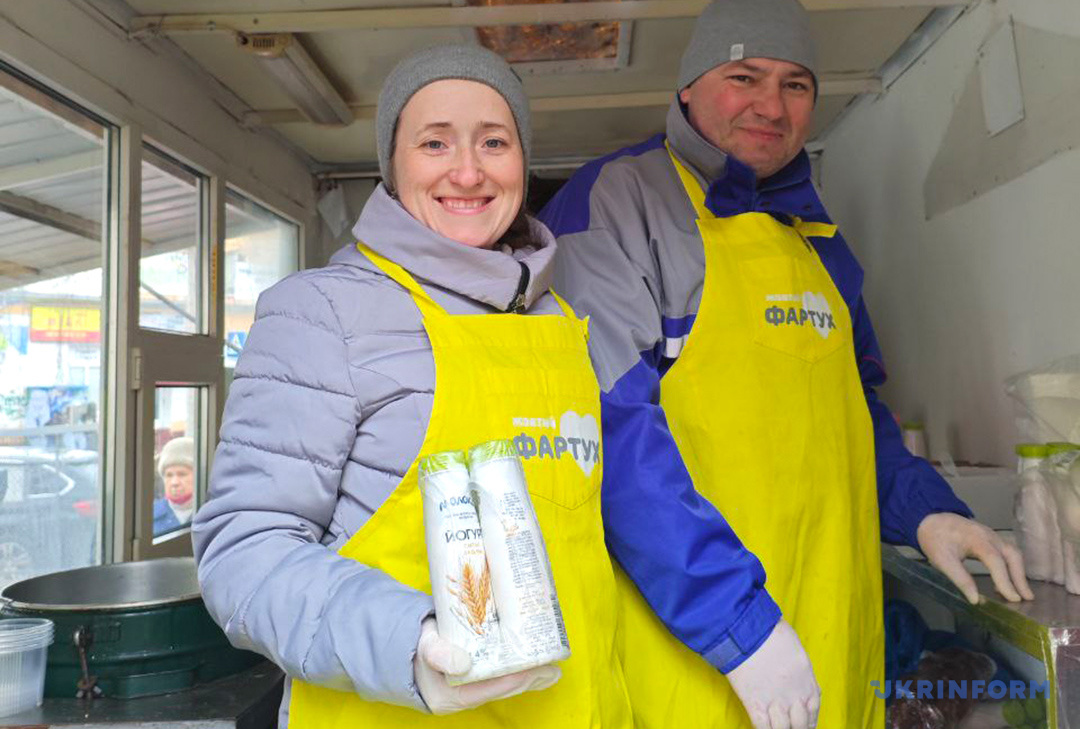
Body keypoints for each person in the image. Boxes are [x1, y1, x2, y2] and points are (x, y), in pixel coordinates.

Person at [538, 1, 1034, 728]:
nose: (771, 106)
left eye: (795, 84)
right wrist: (738, 628)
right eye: (744, 77)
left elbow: (853, 412)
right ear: (689, 87)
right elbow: (606, 435)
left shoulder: (818, 237)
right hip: (694, 663)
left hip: (834, 653)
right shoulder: (618, 203)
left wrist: (925, 511)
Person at [193, 45, 633, 728]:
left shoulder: (560, 322)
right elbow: (244, 552)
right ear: (393, 169)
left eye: (494, 142)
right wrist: (411, 644)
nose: (469, 170)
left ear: (522, 162)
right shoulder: (324, 312)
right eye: (435, 143)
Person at [153, 436, 195, 535]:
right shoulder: (149, 516)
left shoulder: (215, 514)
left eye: (182, 474)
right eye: (169, 475)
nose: (174, 482)